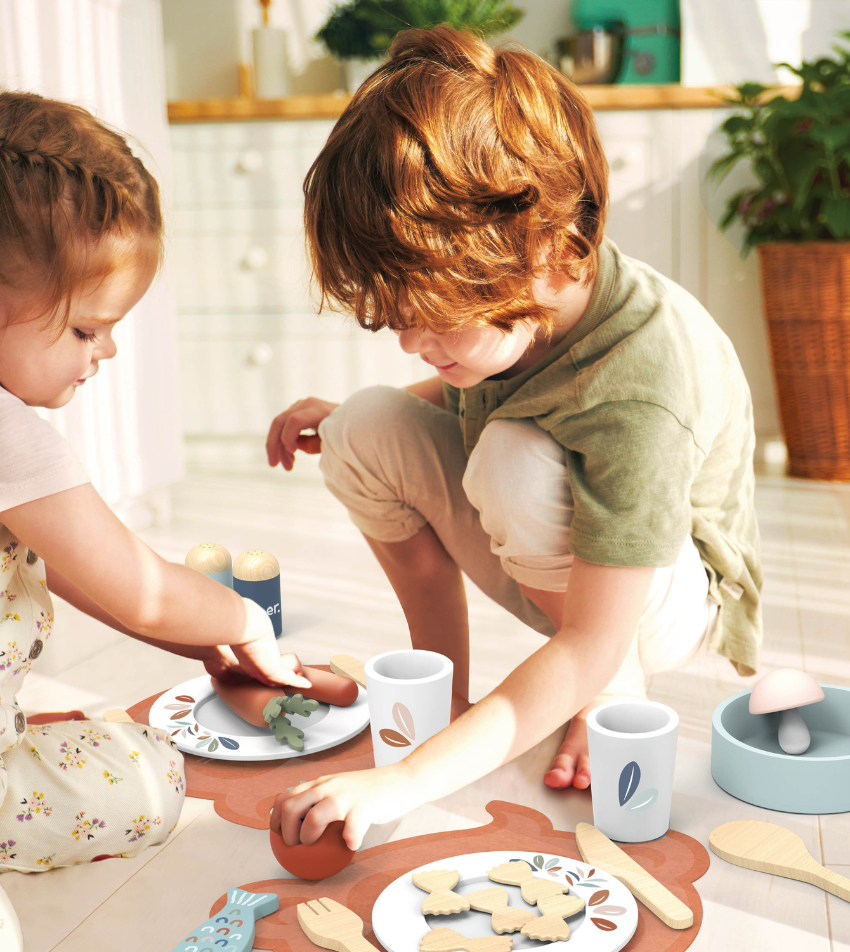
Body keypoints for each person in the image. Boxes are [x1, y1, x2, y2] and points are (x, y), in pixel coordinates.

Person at [267, 27, 762, 852]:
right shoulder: (529, 291)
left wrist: (403, 784)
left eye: (428, 317)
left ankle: (610, 697)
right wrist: (364, 407)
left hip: (664, 595)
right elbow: (504, 379)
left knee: (514, 461)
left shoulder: (639, 380)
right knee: (363, 427)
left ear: (545, 249)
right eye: (397, 318)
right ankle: (444, 699)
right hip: (572, 548)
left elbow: (589, 636)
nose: (407, 341)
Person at [0, 91, 310, 884]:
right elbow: (139, 588)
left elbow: (72, 568)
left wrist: (204, 642)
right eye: (84, 329)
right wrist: (242, 616)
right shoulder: (13, 439)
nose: (103, 352)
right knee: (150, 783)